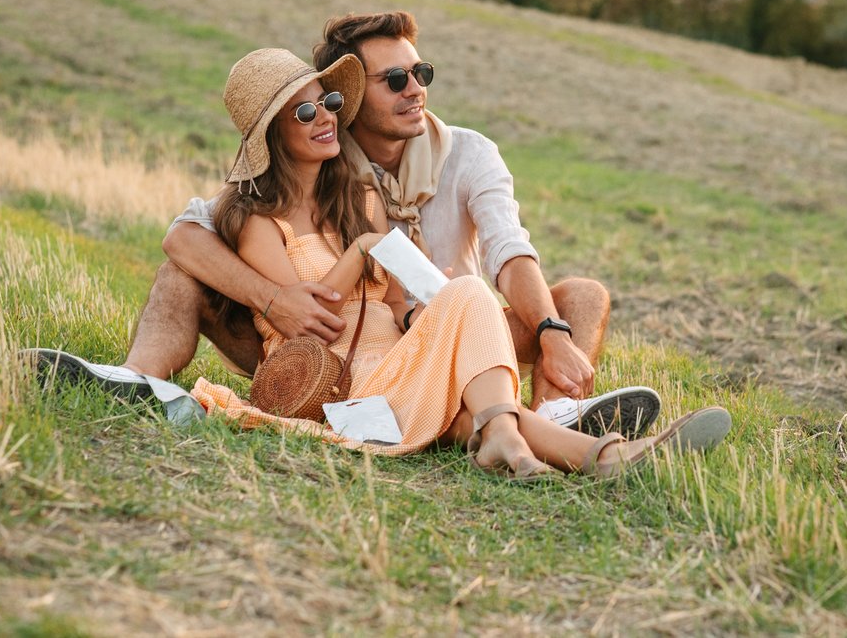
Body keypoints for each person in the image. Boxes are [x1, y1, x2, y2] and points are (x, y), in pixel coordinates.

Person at [51, 11, 662, 438]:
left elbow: (510, 253)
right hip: (314, 341)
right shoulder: (317, 154)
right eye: (394, 79)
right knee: (180, 271)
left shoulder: (470, 152)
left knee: (580, 296)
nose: (414, 90)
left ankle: (555, 414)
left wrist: (550, 330)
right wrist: (275, 298)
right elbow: (188, 230)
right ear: (354, 95)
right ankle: (138, 381)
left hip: (444, 331)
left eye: (420, 74)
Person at [183, 46, 731, 477]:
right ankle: (602, 451)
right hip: (343, 376)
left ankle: (588, 456)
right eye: (305, 110)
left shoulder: (358, 197)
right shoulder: (257, 220)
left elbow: (397, 299)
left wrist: (419, 317)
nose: (326, 117)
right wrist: (362, 251)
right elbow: (310, 314)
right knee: (470, 296)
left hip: (397, 357)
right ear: (274, 132)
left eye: (327, 103)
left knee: (467, 371)